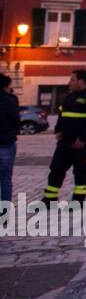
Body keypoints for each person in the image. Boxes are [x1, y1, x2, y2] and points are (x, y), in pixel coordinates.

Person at [42, 70, 86, 205]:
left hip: (82, 144)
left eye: (72, 80)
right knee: (56, 170)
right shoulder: (68, 98)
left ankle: (78, 201)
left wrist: (83, 139)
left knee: (80, 173)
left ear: (82, 81)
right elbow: (61, 116)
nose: (69, 82)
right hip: (64, 142)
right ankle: (49, 200)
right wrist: (58, 131)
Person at [0, 73, 19, 207]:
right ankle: (4, 214)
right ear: (5, 86)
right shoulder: (10, 100)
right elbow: (16, 120)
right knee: (6, 179)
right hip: (6, 143)